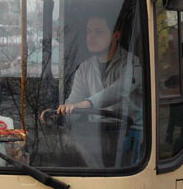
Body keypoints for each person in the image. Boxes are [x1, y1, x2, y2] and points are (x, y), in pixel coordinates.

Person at [53, 13, 143, 166]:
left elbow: (118, 90)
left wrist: (86, 104)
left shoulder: (133, 64)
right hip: (97, 135)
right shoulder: (84, 68)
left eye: (99, 32)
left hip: (130, 136)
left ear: (116, 36)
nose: (92, 37)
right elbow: (73, 103)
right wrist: (59, 116)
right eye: (89, 32)